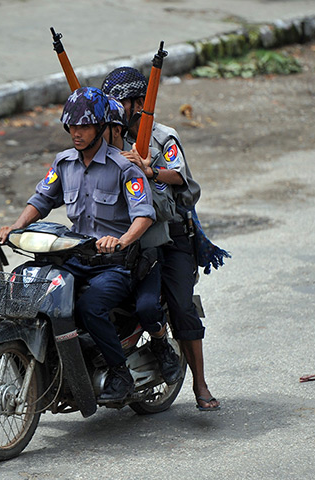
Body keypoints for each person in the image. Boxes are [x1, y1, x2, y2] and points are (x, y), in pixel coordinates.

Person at [0, 87, 156, 403]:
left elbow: (144, 215)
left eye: (83, 127)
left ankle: (120, 375)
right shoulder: (63, 163)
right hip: (75, 257)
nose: (76, 133)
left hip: (114, 263)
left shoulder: (124, 168)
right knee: (33, 294)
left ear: (99, 127)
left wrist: (121, 240)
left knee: (90, 307)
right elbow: (42, 199)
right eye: (71, 126)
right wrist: (17, 225)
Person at [103, 66, 221, 411]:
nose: (115, 109)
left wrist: (147, 168)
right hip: (129, 235)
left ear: (139, 103)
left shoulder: (162, 136)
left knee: (181, 307)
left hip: (171, 237)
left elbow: (178, 175)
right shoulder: (109, 134)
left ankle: (199, 384)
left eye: (121, 102)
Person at [104, 94, 183, 387]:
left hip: (143, 254)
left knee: (147, 307)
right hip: (101, 257)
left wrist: (147, 172)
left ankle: (162, 348)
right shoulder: (78, 161)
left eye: (104, 128)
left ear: (117, 129)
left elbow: (163, 209)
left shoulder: (138, 157)